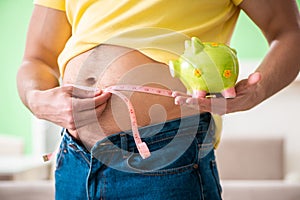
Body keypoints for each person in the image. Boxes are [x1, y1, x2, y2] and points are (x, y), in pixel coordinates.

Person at [16, 0, 300, 199]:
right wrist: (36, 99)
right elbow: (36, 58)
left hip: (167, 153)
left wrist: (258, 92)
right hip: (76, 158)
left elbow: (289, 32)